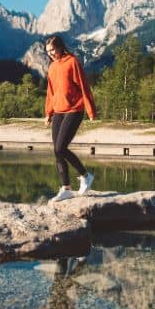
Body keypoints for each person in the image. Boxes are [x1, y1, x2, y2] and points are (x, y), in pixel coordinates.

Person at [44, 35, 96, 202]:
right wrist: (48, 113)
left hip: (74, 110)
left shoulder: (72, 62)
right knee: (57, 151)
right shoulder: (52, 67)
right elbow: (50, 92)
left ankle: (85, 176)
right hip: (58, 111)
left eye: (52, 49)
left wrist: (90, 110)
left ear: (60, 47)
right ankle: (66, 188)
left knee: (60, 148)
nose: (50, 53)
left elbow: (84, 86)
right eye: (48, 51)